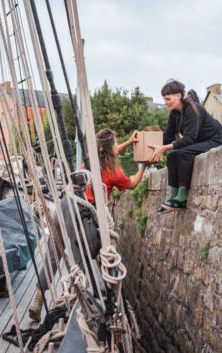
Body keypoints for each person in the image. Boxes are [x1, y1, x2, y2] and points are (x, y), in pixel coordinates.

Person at [28, 128, 148, 323]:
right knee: (81, 260)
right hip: (81, 214)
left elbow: (108, 150)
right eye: (117, 143)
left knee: (53, 253)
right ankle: (77, 306)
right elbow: (133, 183)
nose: (119, 146)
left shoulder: (88, 163)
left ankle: (38, 301)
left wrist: (126, 142)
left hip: (64, 205)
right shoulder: (113, 173)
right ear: (110, 149)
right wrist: (144, 165)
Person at [148, 80, 222, 211]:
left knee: (183, 153)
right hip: (202, 142)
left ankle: (182, 197)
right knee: (172, 156)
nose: (165, 102)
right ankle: (173, 195)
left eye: (168, 99)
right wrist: (150, 149)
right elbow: (167, 136)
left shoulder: (192, 109)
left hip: (216, 140)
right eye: (164, 99)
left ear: (179, 96)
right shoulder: (174, 113)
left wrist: (163, 148)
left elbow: (190, 139)